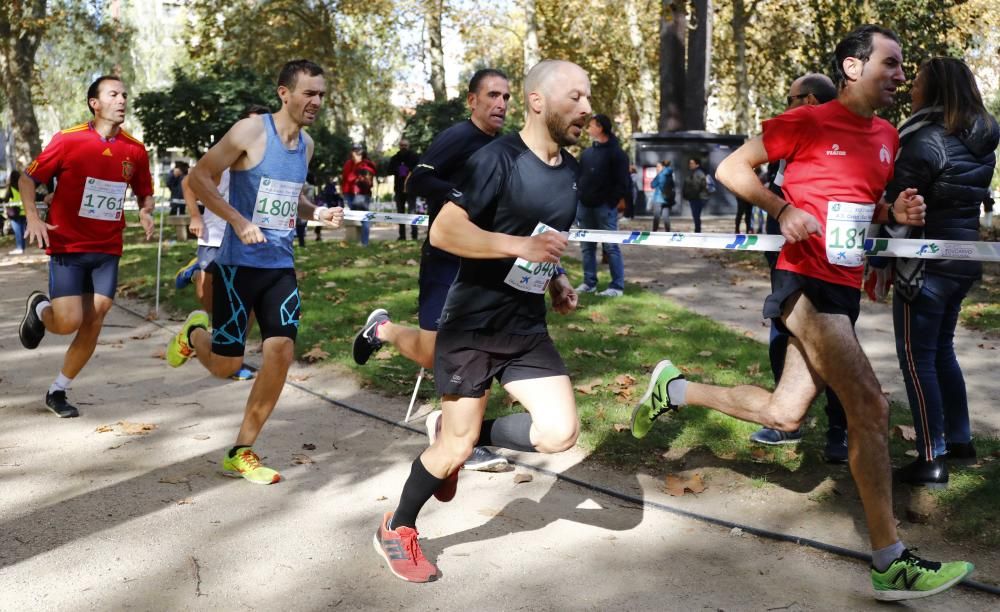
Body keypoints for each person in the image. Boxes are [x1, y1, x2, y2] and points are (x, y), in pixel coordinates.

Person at [630, 26, 974, 600]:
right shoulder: (808, 121)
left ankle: (675, 389)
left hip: (842, 285)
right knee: (868, 403)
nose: (898, 75)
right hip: (804, 281)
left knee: (786, 413)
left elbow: (866, 204)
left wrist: (898, 210)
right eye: (889, 64)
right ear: (852, 67)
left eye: (900, 67)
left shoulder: (888, 135)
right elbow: (731, 169)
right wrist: (783, 207)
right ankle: (891, 561)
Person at [373, 58, 588, 583]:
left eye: (587, 98)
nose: (586, 108)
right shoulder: (496, 159)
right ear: (538, 102)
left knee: (560, 433)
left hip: (526, 324)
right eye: (575, 98)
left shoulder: (571, 172)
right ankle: (396, 528)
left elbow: (539, 236)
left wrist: (555, 275)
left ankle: (463, 433)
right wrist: (523, 246)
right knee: (454, 450)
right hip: (473, 323)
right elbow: (445, 233)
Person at [165, 59, 343, 484]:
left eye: (321, 94)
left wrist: (317, 211)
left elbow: (292, 196)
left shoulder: (307, 145)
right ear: (285, 93)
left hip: (279, 265)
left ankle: (241, 449)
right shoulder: (250, 132)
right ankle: (195, 334)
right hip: (235, 266)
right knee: (227, 365)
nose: (316, 101)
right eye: (309, 93)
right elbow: (199, 175)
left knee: (280, 351)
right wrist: (237, 221)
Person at [353, 68, 513, 473]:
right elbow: (417, 181)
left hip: (481, 259)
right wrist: (461, 196)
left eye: (506, 97)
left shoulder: (504, 146)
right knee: (442, 351)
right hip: (445, 258)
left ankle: (456, 433)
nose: (501, 104)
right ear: (472, 101)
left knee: (474, 348)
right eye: (492, 95)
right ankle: (384, 332)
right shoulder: (459, 137)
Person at [886, 57, 998, 487]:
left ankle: (931, 457)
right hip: (962, 259)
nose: (910, 89)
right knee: (942, 350)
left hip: (925, 264)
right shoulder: (980, 140)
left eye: (915, 82)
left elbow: (897, 201)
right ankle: (960, 437)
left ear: (932, 91)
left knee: (917, 360)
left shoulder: (923, 140)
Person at [17, 75, 155, 418]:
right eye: (114, 94)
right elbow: (27, 179)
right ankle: (39, 309)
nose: (122, 99)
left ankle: (58, 390)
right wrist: (32, 217)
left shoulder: (135, 150)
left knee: (96, 316)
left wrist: (147, 212)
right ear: (95, 103)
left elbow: (144, 191)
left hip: (107, 246)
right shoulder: (68, 140)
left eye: (124, 94)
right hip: (68, 243)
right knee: (67, 323)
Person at [749, 73, 849, 464]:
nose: (785, 105)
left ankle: (839, 431)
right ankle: (785, 422)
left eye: (789, 98)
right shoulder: (791, 138)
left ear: (807, 100)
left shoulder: (836, 140)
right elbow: (774, 188)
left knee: (837, 347)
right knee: (781, 335)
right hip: (787, 261)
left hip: (826, 264)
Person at [174, 104, 273, 382]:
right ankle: (199, 330)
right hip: (215, 239)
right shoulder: (226, 158)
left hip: (247, 242)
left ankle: (232, 356)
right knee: (211, 305)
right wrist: (195, 215)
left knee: (248, 305)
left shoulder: (267, 160)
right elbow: (189, 183)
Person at [575, 113, 629, 297]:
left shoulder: (617, 153)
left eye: (591, 125)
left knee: (611, 247)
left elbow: (623, 181)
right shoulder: (587, 153)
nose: (587, 129)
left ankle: (616, 286)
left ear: (600, 127)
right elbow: (579, 177)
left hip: (605, 208)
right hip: (585, 206)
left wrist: (611, 202)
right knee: (587, 247)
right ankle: (589, 283)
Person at [342, 144, 376, 246]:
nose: (355, 154)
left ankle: (364, 242)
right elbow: (345, 178)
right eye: (354, 152)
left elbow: (370, 175)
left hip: (362, 194)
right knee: (357, 216)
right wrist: (343, 191)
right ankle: (360, 240)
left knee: (364, 217)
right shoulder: (348, 164)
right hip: (349, 193)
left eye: (358, 152)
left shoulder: (367, 164)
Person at [386, 138, 420, 240]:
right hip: (399, 189)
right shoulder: (395, 158)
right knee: (400, 213)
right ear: (399, 146)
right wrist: (400, 169)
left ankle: (414, 235)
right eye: (401, 145)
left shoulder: (414, 157)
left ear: (408, 146)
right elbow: (389, 170)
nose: (403, 147)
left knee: (412, 212)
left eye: (405, 145)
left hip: (411, 189)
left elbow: (418, 169)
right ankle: (402, 235)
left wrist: (408, 170)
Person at [681, 157, 709, 233]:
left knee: (696, 216)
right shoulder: (693, 173)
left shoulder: (698, 173)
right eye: (690, 163)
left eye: (692, 163)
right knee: (696, 216)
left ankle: (697, 231)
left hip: (697, 198)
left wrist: (689, 195)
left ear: (697, 164)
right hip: (695, 198)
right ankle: (697, 230)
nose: (690, 165)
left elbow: (697, 187)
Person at [3, 170, 27, 255]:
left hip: (15, 212)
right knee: (23, 231)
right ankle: (23, 247)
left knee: (17, 231)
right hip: (24, 211)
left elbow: (6, 198)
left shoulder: (11, 187)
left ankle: (19, 247)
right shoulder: (24, 186)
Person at [650, 160, 675, 232]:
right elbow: (673, 185)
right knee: (666, 217)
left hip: (658, 198)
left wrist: (657, 175)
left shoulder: (660, 175)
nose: (657, 168)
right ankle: (668, 232)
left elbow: (652, 185)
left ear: (663, 167)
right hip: (667, 199)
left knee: (656, 217)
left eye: (658, 166)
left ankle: (654, 232)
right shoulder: (670, 174)